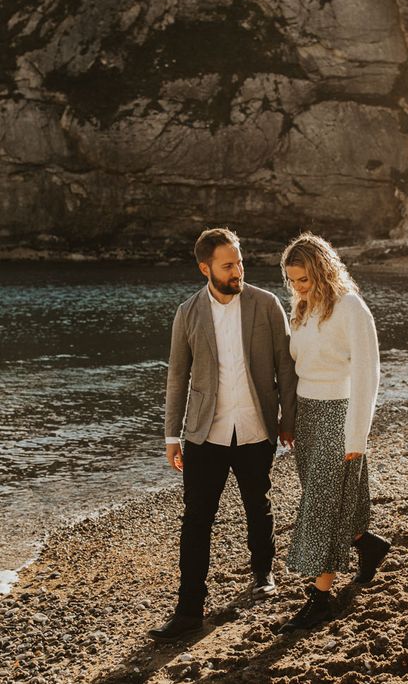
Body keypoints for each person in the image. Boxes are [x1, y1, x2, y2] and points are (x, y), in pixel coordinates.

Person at [148, 227, 297, 642]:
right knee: (196, 521)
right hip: (204, 433)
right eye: (228, 265)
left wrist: (288, 420)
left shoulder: (266, 305)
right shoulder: (187, 313)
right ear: (205, 268)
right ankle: (189, 610)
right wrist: (171, 437)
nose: (238, 270)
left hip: (255, 426)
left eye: (240, 262)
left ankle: (263, 573)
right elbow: (177, 376)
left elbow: (285, 366)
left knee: (258, 502)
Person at [278, 232, 390, 633]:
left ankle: (320, 600)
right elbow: (296, 369)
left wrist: (356, 436)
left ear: (324, 271)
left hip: (339, 415)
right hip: (308, 416)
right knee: (327, 498)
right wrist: (288, 420)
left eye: (303, 279)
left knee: (321, 509)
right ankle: (368, 544)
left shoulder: (351, 308)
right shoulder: (303, 310)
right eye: (292, 281)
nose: (297, 288)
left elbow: (367, 373)